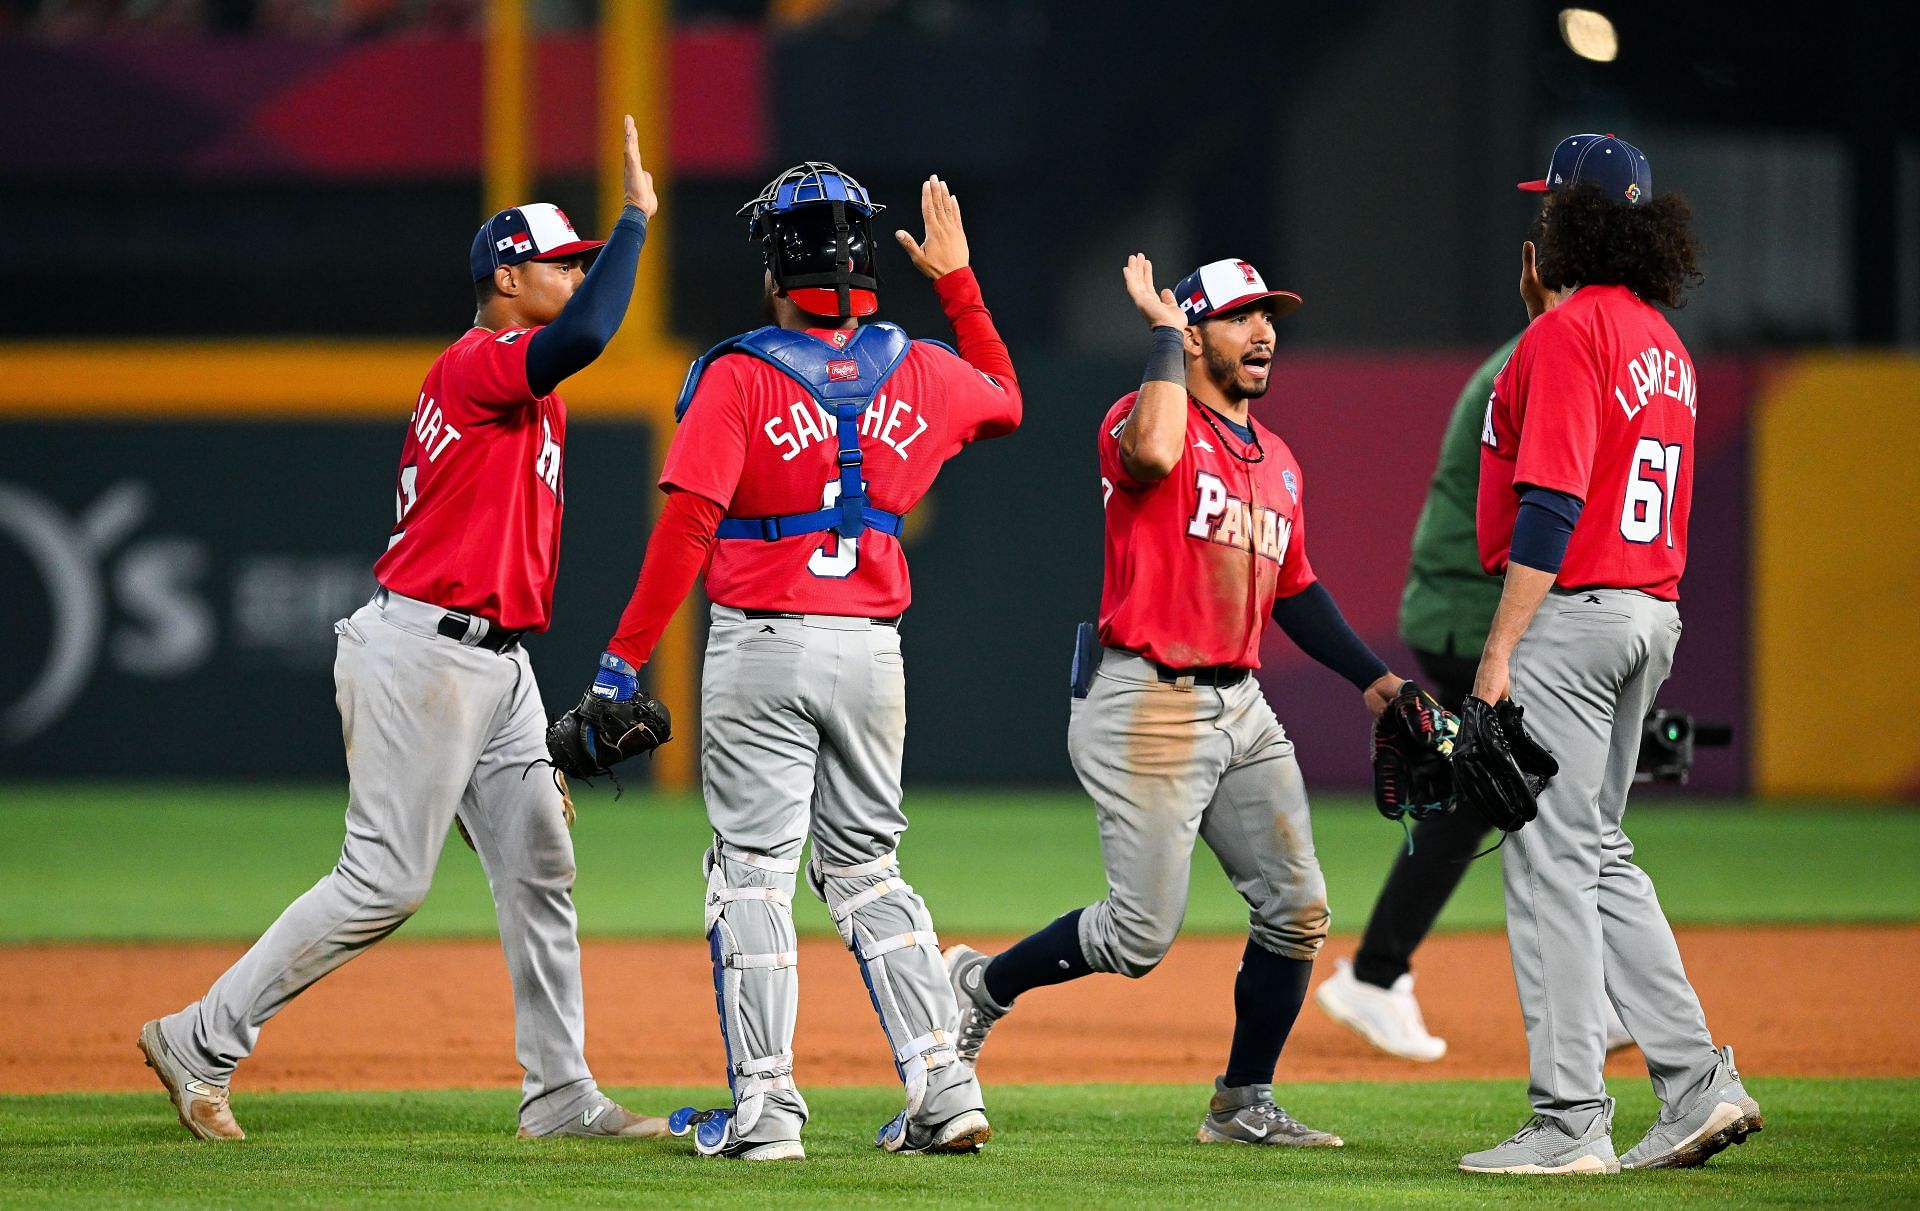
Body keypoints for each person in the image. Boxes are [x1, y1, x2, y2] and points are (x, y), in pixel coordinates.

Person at [138, 118, 669, 1143]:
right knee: (384, 880)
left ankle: (560, 1095)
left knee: (541, 863)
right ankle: (200, 1036)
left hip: (494, 660)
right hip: (422, 649)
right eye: (563, 263)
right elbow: (591, 334)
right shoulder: (479, 362)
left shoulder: (526, 394)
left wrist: (515, 718)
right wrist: (638, 221)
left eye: (582, 263)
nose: (576, 277)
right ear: (509, 279)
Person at [581, 165, 1021, 1160]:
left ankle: (769, 1108)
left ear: (775, 262)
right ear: (868, 256)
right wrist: (958, 280)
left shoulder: (738, 371)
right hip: (872, 650)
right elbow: (1007, 401)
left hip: (763, 642)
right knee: (868, 870)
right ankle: (946, 1086)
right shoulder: (923, 366)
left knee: (754, 875)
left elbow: (687, 528)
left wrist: (620, 662)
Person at [944, 255, 1415, 1149]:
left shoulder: (1279, 460)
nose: (1265, 332)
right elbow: (1153, 453)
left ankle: (1242, 1102)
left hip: (1243, 705)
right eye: (1241, 317)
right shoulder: (1140, 413)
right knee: (1139, 935)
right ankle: (981, 983)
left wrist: (1377, 682)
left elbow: (1297, 590)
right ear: (1193, 335)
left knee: (1297, 906)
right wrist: (1160, 334)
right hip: (1145, 700)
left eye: (1269, 316)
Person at [1457, 134, 1761, 1175]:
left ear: (1577, 222)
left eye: (1552, 206)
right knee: (1598, 851)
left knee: (1545, 861)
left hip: (1574, 617)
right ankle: (1695, 1086)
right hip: (1649, 616)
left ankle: (1569, 1120)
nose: (1540, 221)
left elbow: (1551, 502)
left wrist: (1498, 652)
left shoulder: (1565, 332)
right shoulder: (1663, 343)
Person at [1313, 317, 1632, 1063]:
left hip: (1466, 610)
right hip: (1473, 615)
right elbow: (1541, 510)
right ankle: (1584, 998)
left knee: (1486, 803)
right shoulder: (1539, 361)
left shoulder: (1533, 356)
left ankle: (1379, 972)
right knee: (1535, 799)